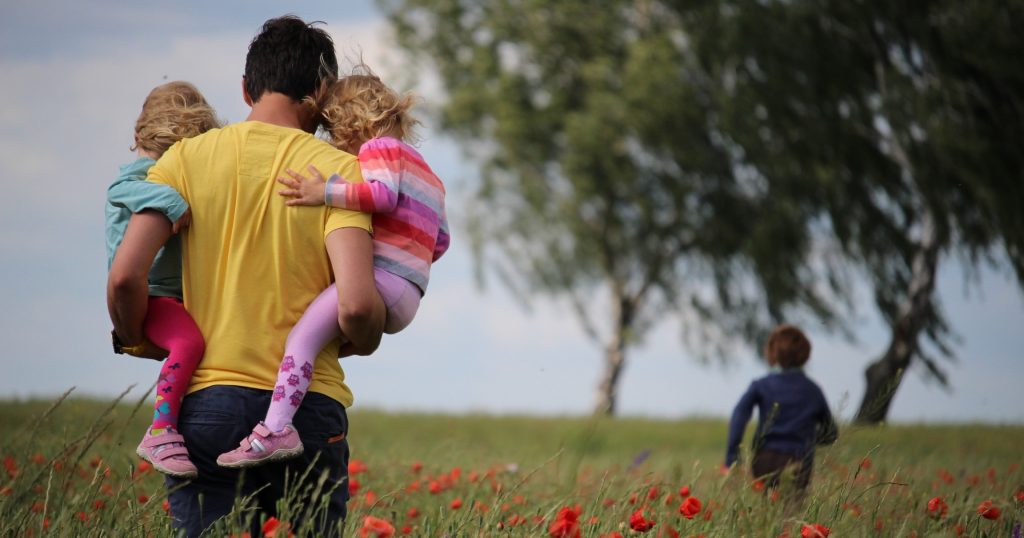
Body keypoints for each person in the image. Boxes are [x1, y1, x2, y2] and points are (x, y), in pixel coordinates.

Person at [107, 16, 385, 537]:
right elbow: (357, 307)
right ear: (321, 93)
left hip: (207, 403)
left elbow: (125, 277)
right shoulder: (339, 173)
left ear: (244, 88)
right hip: (307, 410)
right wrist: (362, 341)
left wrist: (134, 334)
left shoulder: (183, 160)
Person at [217, 69, 450, 468]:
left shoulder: (379, 149)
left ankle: (275, 429)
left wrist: (322, 192)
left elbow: (380, 195)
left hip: (381, 281)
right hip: (410, 292)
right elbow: (441, 241)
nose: (335, 142)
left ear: (352, 122)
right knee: (321, 340)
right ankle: (288, 409)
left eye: (334, 130)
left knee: (301, 340)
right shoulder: (429, 174)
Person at [105, 81, 218, 478]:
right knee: (189, 342)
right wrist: (172, 201)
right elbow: (121, 189)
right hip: (151, 295)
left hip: (171, 295)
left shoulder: (164, 171)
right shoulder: (140, 176)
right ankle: (161, 430)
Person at [724, 324, 838, 496]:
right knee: (792, 515)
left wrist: (732, 458)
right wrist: (808, 440)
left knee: (766, 512)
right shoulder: (813, 390)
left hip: (765, 459)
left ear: (772, 353)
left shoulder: (761, 385)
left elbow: (739, 416)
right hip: (799, 462)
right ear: (805, 355)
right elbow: (831, 433)